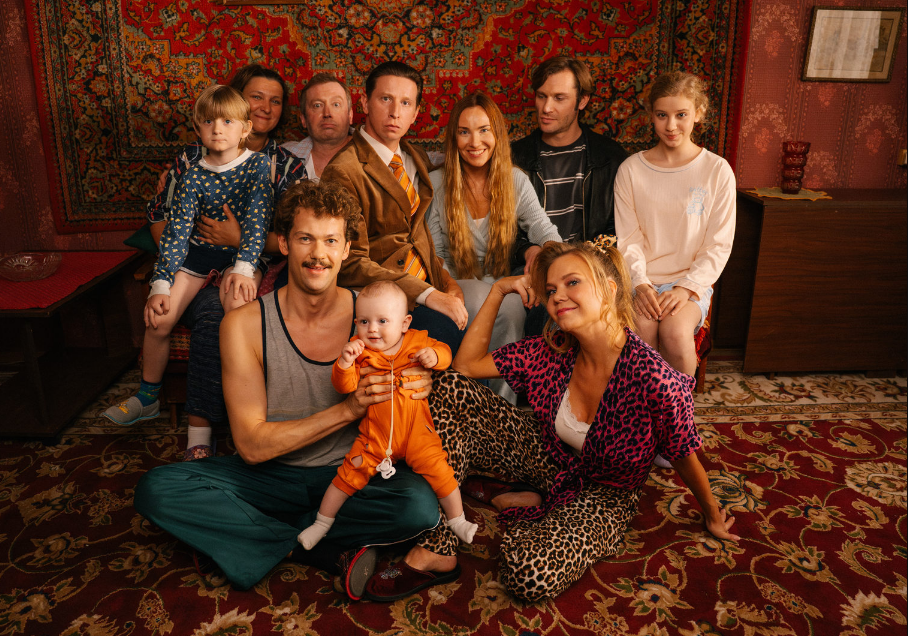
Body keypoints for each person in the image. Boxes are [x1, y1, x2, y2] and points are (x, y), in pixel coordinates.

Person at [364, 241, 739, 603]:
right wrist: (498, 291)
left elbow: (683, 451)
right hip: (547, 455)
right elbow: (465, 367)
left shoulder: (655, 378)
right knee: (446, 385)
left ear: (609, 289)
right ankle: (439, 546)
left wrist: (711, 513)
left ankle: (521, 499)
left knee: (528, 573)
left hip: (605, 494)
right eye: (551, 289)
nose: (558, 296)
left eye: (572, 282)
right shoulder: (553, 349)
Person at [133, 180, 441, 600]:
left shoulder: (373, 316)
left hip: (351, 474)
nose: (318, 254)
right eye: (305, 239)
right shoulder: (242, 325)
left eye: (331, 240)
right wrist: (348, 409)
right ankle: (324, 550)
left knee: (419, 506)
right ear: (283, 243)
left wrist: (418, 376)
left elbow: (420, 360)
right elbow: (251, 447)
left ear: (346, 249)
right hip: (268, 476)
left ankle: (251, 538)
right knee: (157, 491)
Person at [144, 64, 307, 460]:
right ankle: (202, 431)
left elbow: (297, 237)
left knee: (226, 311)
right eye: (256, 97)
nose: (266, 106)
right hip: (194, 264)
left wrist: (237, 244)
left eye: (275, 101)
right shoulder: (192, 160)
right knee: (205, 312)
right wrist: (177, 270)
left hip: (251, 265)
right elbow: (163, 218)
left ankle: (238, 426)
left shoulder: (285, 165)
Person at [104, 84, 272, 426]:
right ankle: (148, 396)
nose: (217, 129)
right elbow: (178, 232)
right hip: (199, 255)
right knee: (159, 318)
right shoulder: (192, 174)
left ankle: (248, 401)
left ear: (245, 128)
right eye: (209, 121)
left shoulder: (258, 166)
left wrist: (244, 267)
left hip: (242, 256)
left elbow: (258, 221)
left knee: (237, 310)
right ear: (198, 128)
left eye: (227, 121)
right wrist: (161, 283)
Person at [298, 281, 477, 550]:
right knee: (348, 474)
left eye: (382, 321)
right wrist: (344, 363)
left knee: (441, 472)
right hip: (376, 437)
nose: (372, 329)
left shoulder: (417, 341)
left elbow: (446, 353)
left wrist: (434, 355)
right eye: (364, 321)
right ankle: (321, 524)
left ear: (404, 323)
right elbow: (344, 386)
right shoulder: (360, 350)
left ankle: (458, 520)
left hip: (418, 434)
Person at [322, 61, 468, 353]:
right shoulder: (343, 170)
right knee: (443, 333)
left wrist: (448, 284)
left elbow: (418, 238)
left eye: (405, 103)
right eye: (385, 99)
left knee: (468, 322)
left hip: (425, 282)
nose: (395, 112)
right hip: (379, 299)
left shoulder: (416, 158)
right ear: (365, 102)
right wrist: (429, 295)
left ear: (415, 113)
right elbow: (350, 262)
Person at [427, 91, 561, 403]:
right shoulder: (435, 183)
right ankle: (467, 405)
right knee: (487, 297)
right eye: (464, 132)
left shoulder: (515, 180)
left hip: (502, 283)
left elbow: (545, 230)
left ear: (497, 133)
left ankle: (503, 408)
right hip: (454, 283)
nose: (475, 142)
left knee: (513, 305)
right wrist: (449, 286)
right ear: (454, 138)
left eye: (484, 130)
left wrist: (548, 257)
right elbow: (434, 255)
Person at [614, 71, 735, 378]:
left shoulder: (717, 170)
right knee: (641, 330)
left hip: (690, 282)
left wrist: (686, 288)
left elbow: (718, 244)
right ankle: (642, 405)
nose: (670, 126)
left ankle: (680, 408)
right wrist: (641, 285)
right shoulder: (631, 170)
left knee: (675, 332)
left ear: (699, 113)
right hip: (642, 281)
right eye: (662, 115)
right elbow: (629, 239)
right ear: (651, 114)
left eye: (681, 115)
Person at [511, 56, 629, 337]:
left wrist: (582, 261)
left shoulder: (610, 158)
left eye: (559, 98)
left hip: (591, 264)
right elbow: (497, 226)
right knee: (542, 306)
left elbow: (620, 227)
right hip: (534, 265)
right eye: (541, 96)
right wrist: (527, 249)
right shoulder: (514, 157)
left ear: (582, 100)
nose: (546, 108)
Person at [282, 73, 354, 180]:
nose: (327, 113)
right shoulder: (283, 155)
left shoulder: (372, 152)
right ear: (303, 119)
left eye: (336, 104)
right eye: (317, 105)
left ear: (350, 115)